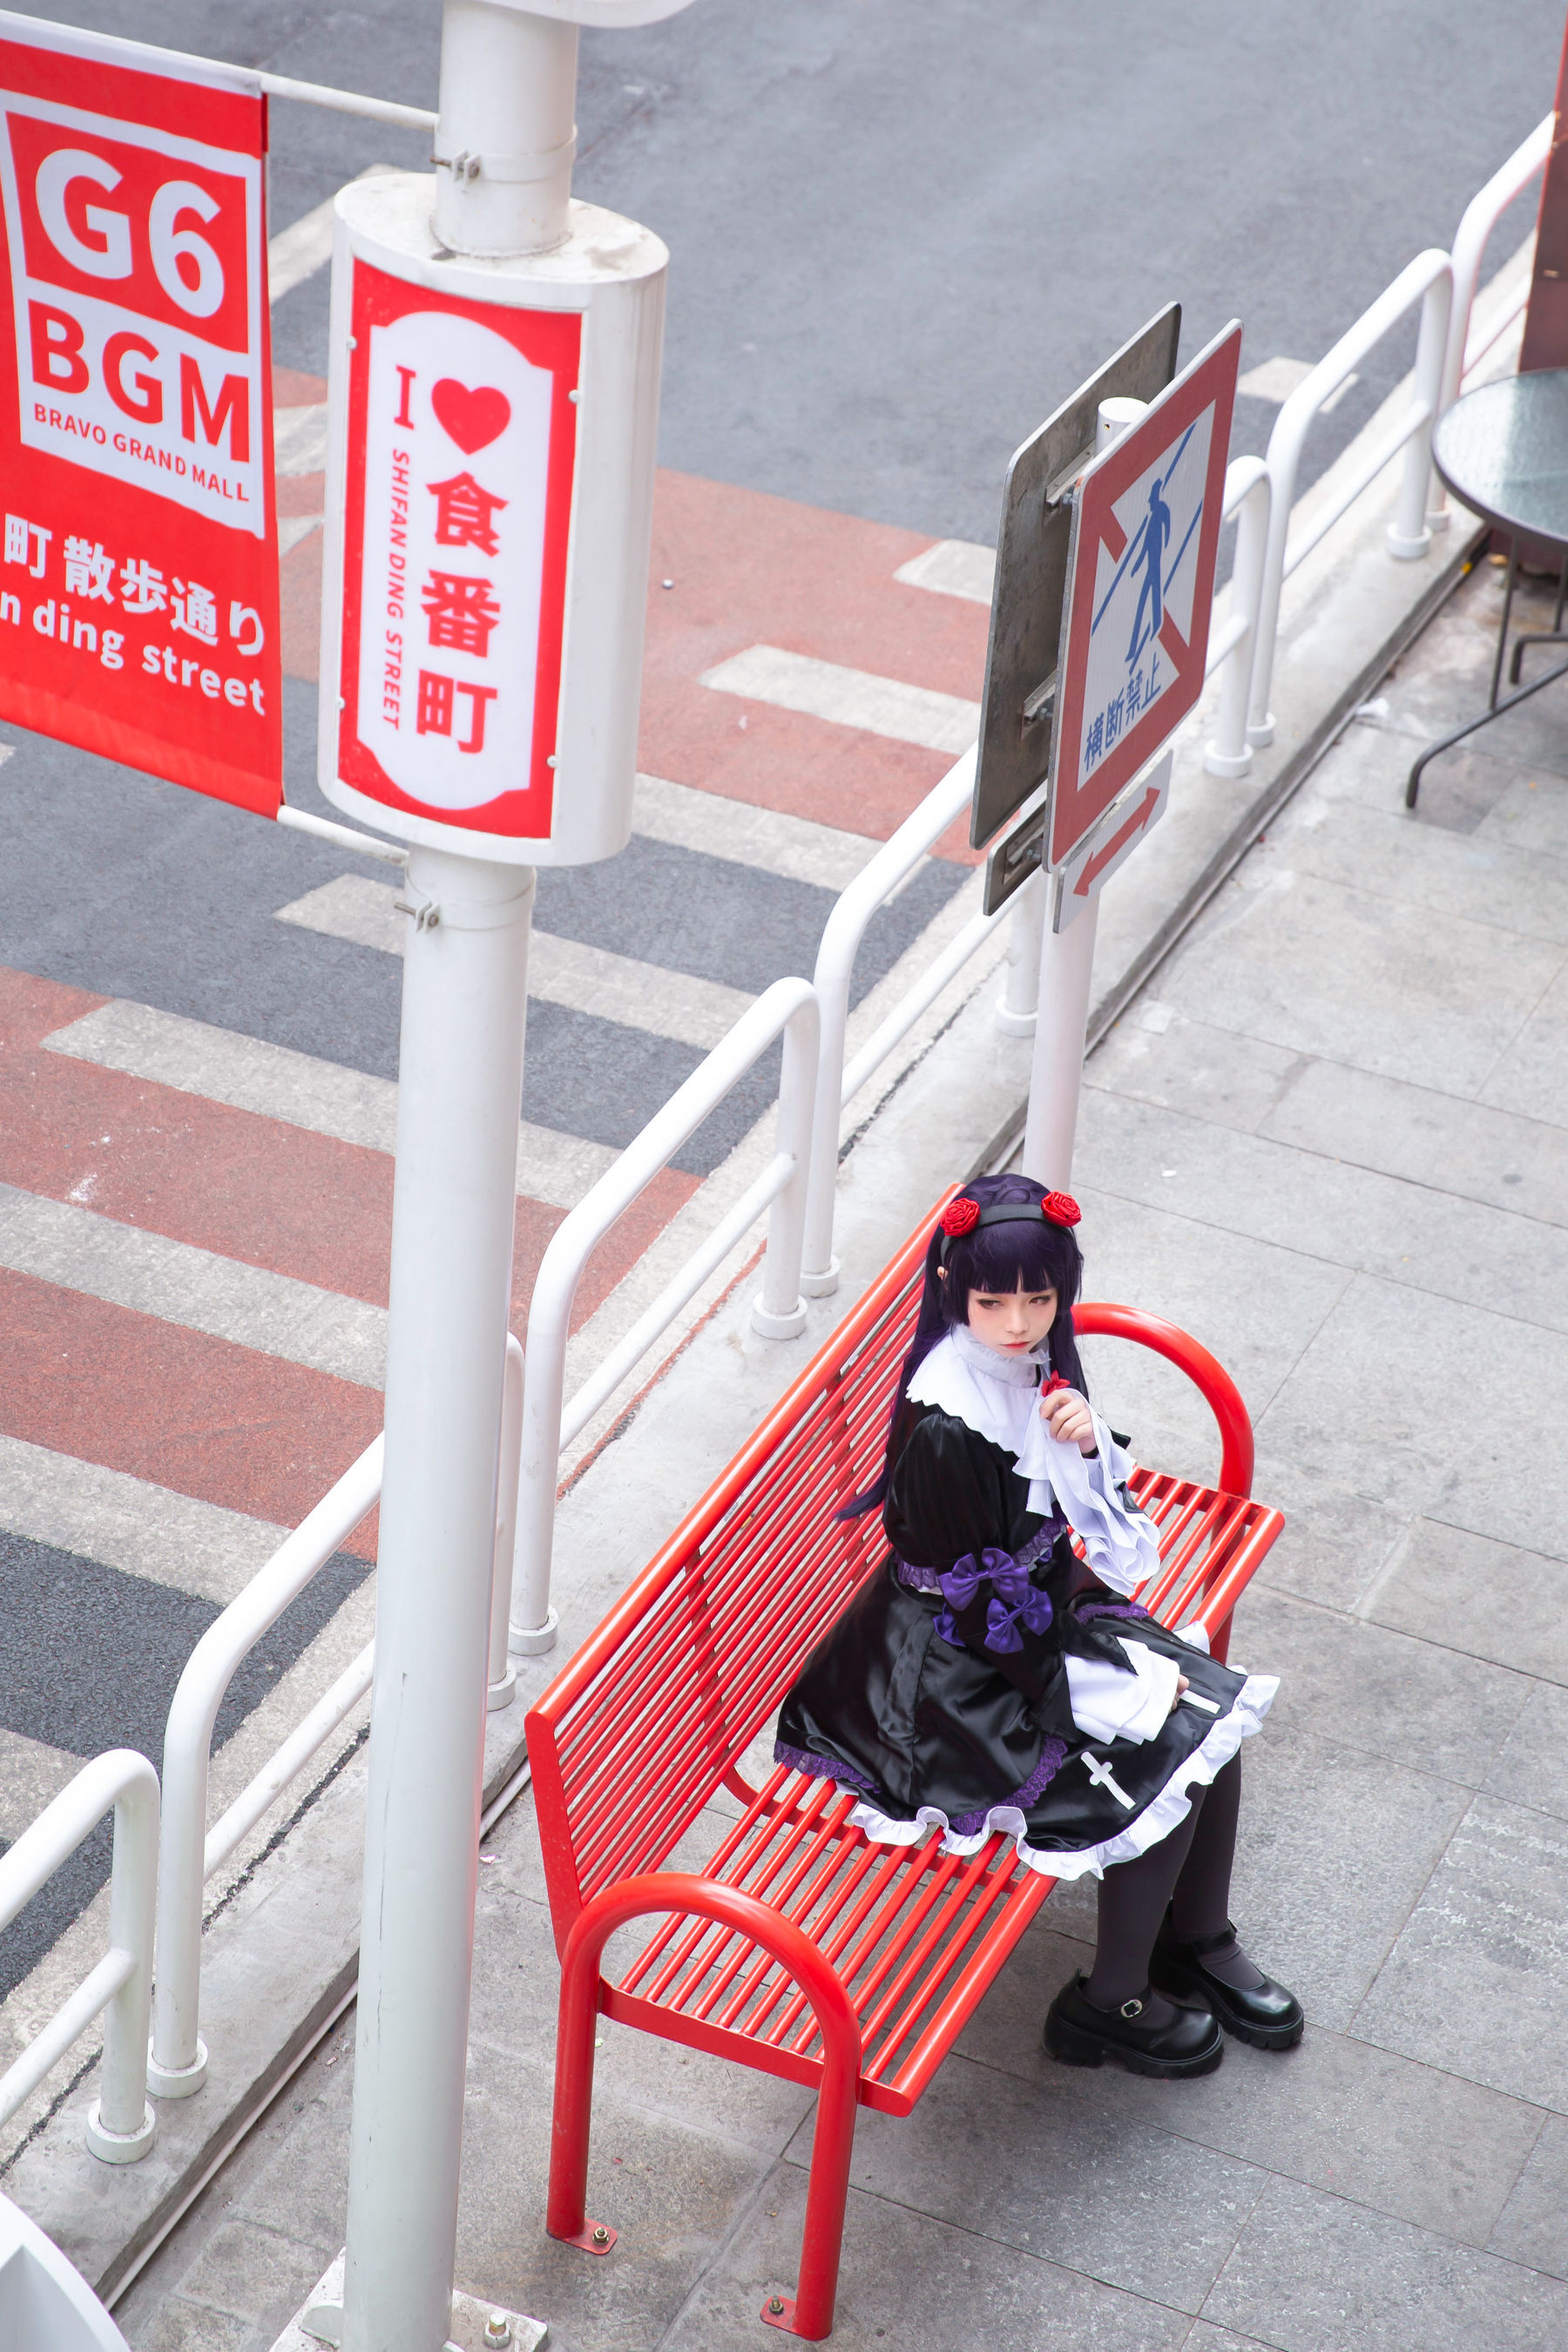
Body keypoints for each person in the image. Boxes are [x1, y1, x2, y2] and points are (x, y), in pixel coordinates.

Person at [774, 1173, 1301, 2078]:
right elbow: (978, 1600)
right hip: (948, 1677)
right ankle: (1110, 2004)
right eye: (993, 1302)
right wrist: (1095, 1688)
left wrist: (1086, 1440)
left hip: (1027, 1616)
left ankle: (1196, 1937)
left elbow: (1059, 1524)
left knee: (1208, 1714)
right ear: (953, 1289)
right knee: (1159, 1745)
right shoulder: (946, 1422)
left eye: (1039, 1300)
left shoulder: (1026, 1370)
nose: (1018, 1323)